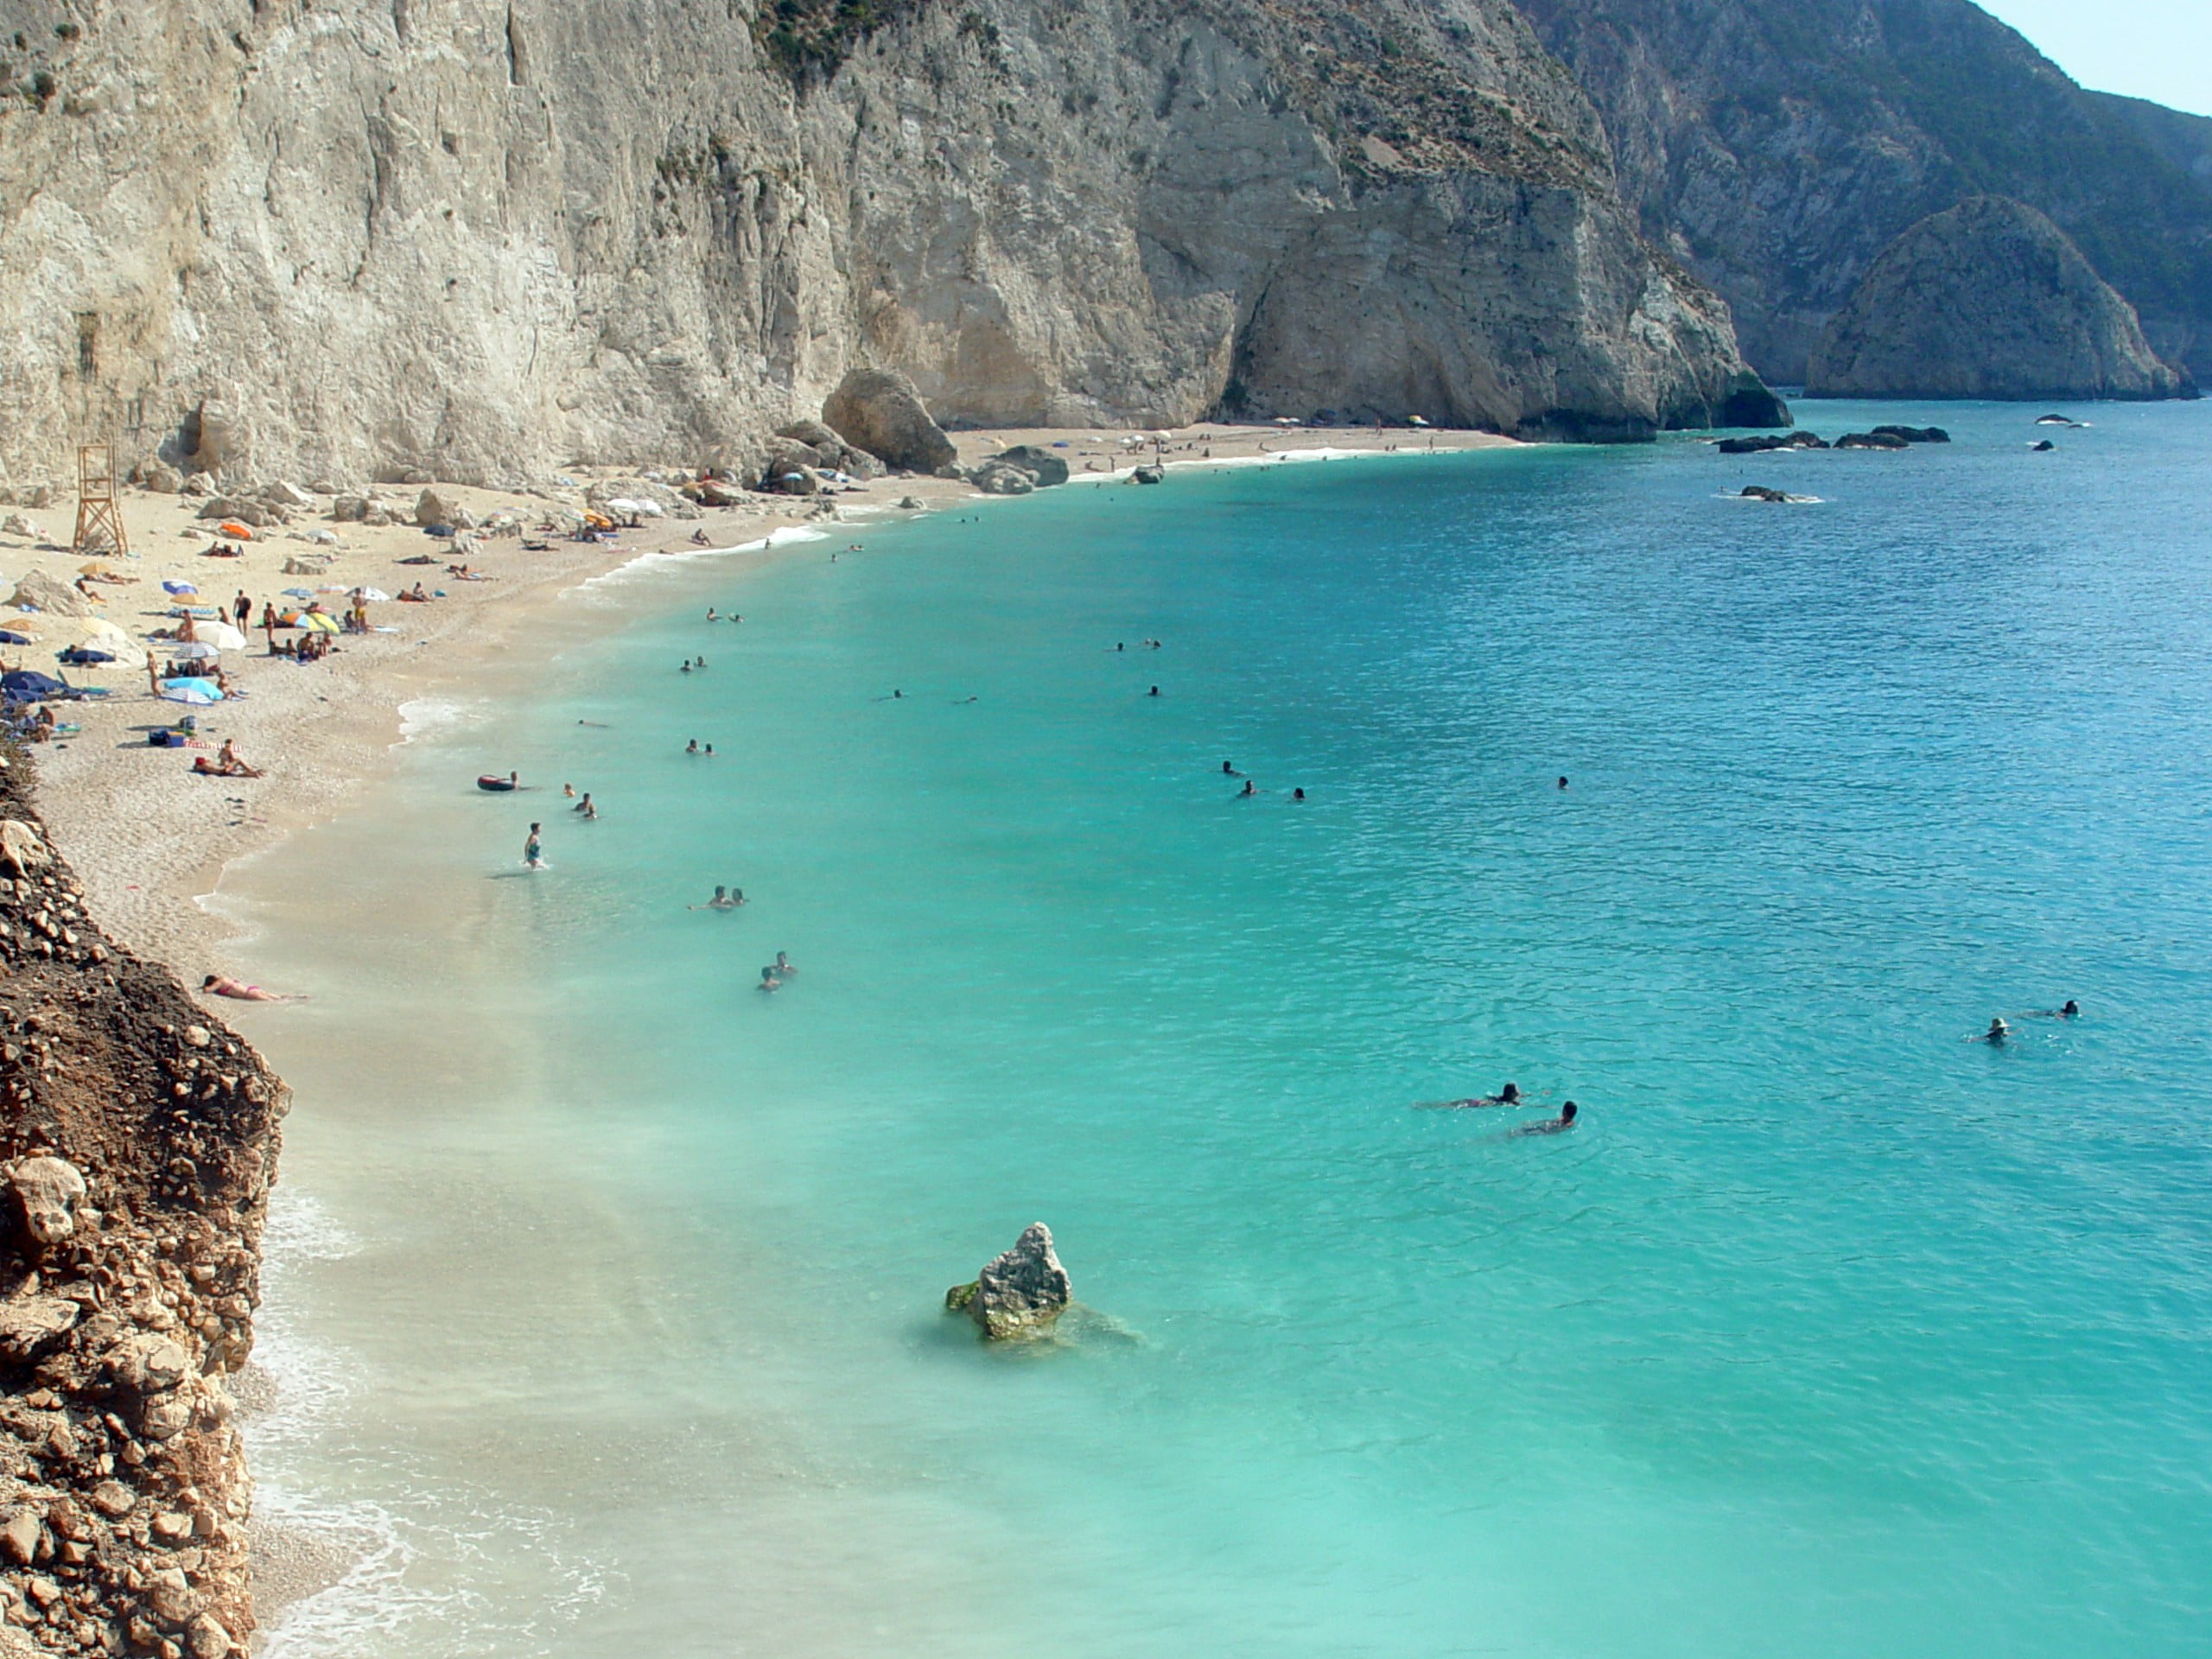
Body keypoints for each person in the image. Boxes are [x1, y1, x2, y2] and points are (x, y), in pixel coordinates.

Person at [202, 974, 301, 1002]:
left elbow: (207, 991)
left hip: (248, 995)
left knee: (275, 1002)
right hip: (252, 989)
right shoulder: (224, 978)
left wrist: (205, 987)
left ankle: (296, 1002)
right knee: (279, 998)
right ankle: (297, 998)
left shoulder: (219, 983)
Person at [1512, 1102, 1578, 1136]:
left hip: (1547, 1130)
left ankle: (1514, 1134)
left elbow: (1558, 1129)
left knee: (1528, 1132)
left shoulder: (1569, 1124)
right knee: (1529, 1128)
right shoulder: (1566, 1120)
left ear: (1565, 1112)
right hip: (1548, 1127)